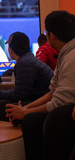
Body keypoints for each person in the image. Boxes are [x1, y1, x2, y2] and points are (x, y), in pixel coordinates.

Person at [5, 11, 75, 160]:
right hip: (58, 103)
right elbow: (52, 92)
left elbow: (59, 101)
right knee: (16, 110)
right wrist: (26, 109)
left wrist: (25, 113)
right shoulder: (65, 53)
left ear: (52, 35)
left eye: (46, 32)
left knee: (33, 119)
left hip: (65, 110)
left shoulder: (70, 57)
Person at [0, 32, 54, 121]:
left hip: (40, 102)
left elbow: (20, 95)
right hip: (40, 99)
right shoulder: (28, 59)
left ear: (10, 50)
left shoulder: (24, 63)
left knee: (1, 105)